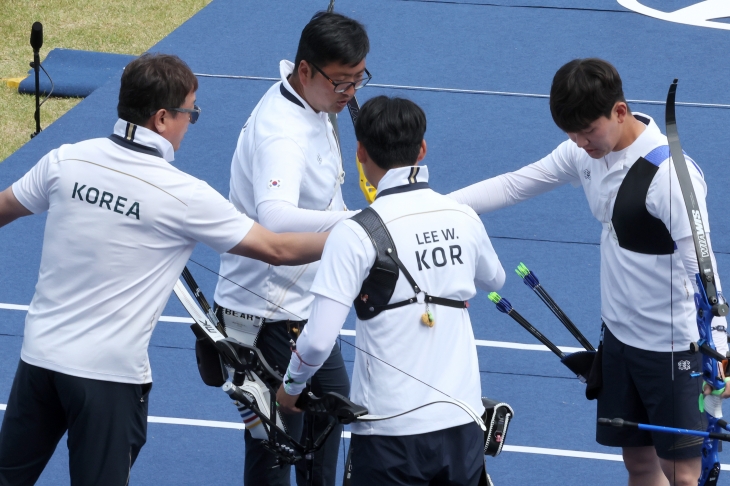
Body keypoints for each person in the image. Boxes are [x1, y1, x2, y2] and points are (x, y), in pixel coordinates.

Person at [0, 53, 328, 486]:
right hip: (108, 378)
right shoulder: (184, 194)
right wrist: (365, 234)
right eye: (190, 112)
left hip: (39, 361)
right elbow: (277, 248)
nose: (190, 123)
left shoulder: (67, 160)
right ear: (161, 118)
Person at [448, 58, 729, 486]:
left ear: (619, 111)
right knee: (638, 464)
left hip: (673, 349)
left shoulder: (671, 177)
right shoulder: (586, 151)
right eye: (571, 134)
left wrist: (721, 345)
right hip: (618, 339)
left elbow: (701, 268)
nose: (580, 143)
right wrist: (431, 208)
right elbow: (513, 184)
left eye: (587, 132)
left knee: (683, 475)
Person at [276, 96, 506, 486]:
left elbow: (316, 342)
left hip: (389, 435)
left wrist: (291, 388)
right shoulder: (462, 216)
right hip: (462, 425)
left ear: (361, 153)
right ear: (422, 149)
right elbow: (494, 280)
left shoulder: (353, 232)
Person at [212, 11, 370, 486]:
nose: (351, 93)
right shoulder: (281, 131)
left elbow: (327, 197)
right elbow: (276, 217)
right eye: (342, 83)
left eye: (359, 80)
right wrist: (363, 225)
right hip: (265, 316)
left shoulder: (315, 102)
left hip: (303, 305)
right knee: (275, 445)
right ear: (306, 70)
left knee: (331, 417)